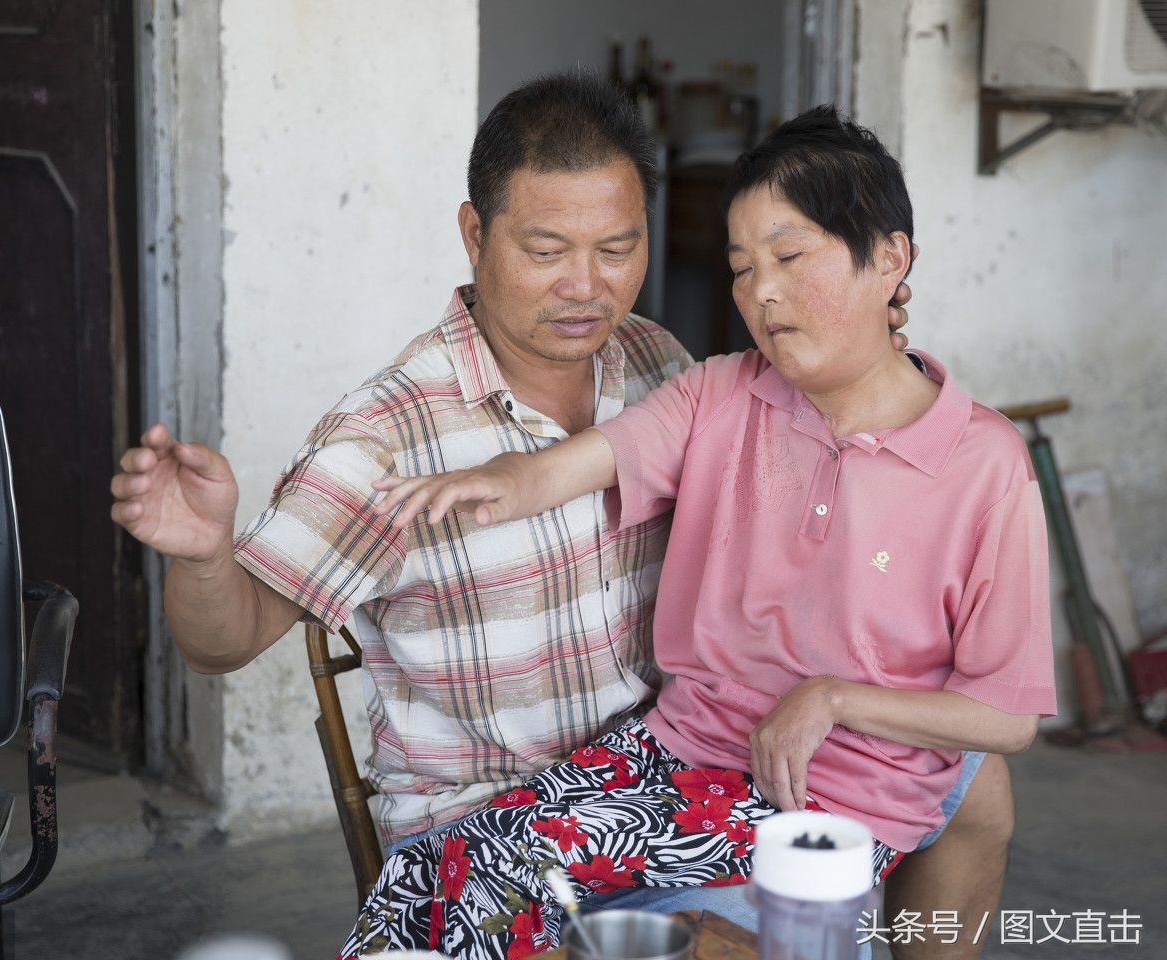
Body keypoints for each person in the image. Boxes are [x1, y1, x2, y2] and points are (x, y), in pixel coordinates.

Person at [110, 72, 1009, 953]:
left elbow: (833, 456)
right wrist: (203, 558)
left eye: (617, 249)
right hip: (492, 824)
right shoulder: (388, 435)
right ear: (475, 234)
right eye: (546, 252)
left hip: (683, 772)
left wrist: (869, 328)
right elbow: (223, 640)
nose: (586, 286)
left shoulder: (658, 363)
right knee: (762, 930)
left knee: (974, 778)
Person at [338, 104, 1055, 960]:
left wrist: (829, 699)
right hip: (676, 758)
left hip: (839, 795)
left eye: (789, 257)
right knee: (458, 870)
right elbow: (584, 460)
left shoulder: (984, 463)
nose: (762, 294)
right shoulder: (720, 395)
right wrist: (500, 478)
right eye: (742, 269)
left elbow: (1005, 719)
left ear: (891, 257)